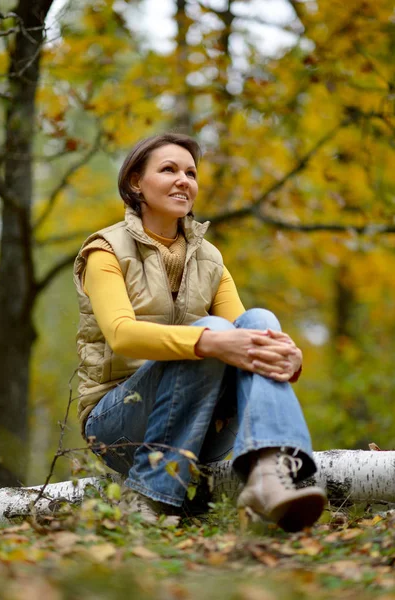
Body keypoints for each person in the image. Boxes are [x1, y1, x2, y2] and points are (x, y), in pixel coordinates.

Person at [73, 133, 326, 532]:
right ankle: (151, 494)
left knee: (259, 320)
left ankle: (270, 472)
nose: (184, 181)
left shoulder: (209, 258)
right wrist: (209, 340)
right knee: (212, 331)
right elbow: (122, 335)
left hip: (201, 426)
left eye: (191, 173)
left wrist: (290, 356)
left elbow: (250, 338)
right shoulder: (105, 251)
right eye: (169, 169)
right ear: (136, 182)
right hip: (118, 424)